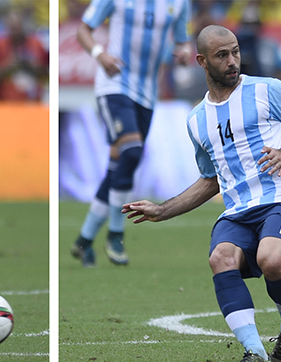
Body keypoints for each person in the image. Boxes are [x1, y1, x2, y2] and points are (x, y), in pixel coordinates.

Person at [122, 25, 281, 362]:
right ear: (202, 61)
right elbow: (210, 181)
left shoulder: (267, 90)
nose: (232, 61)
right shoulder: (197, 120)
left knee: (273, 261)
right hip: (236, 211)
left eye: (235, 52)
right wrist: (163, 209)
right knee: (220, 257)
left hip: (280, 199)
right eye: (222, 55)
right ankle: (255, 354)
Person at [71, 0, 192, 267]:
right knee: (132, 151)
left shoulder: (179, 3)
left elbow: (183, 40)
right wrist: (100, 54)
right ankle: (116, 234)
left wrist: (184, 52)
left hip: (148, 95)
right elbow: (83, 30)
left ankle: (84, 241)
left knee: (119, 166)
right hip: (113, 85)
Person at [0, 10, 49, 102]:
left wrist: (32, 65)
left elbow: (46, 72)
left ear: (24, 25)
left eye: (18, 26)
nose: (15, 31)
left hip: (32, 101)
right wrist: (10, 65)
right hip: (5, 101)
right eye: (12, 27)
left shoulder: (36, 44)